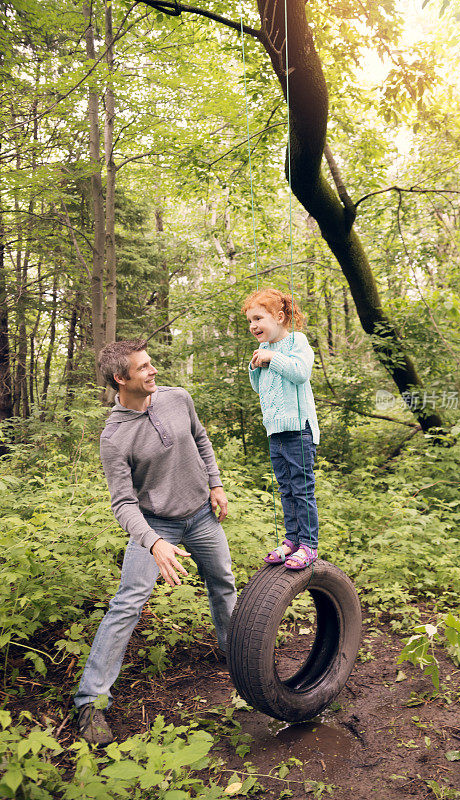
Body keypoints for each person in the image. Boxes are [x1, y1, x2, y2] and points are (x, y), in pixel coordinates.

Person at [74, 339, 237, 745]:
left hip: (201, 515)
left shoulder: (178, 398)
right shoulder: (113, 437)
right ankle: (90, 703)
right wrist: (152, 542)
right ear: (120, 379)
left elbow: (200, 439)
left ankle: (235, 653)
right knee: (128, 602)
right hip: (155, 525)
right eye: (143, 367)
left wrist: (214, 483)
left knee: (223, 583)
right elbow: (123, 504)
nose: (153, 371)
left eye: (151, 364)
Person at [242, 288, 320, 570]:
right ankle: (292, 540)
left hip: (299, 429)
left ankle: (309, 544)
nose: (253, 326)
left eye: (259, 318)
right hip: (274, 431)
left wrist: (271, 359)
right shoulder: (265, 350)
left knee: (302, 490)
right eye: (250, 320)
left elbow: (301, 373)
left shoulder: (296, 341)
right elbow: (259, 388)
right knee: (286, 489)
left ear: (279, 316)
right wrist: (256, 366)